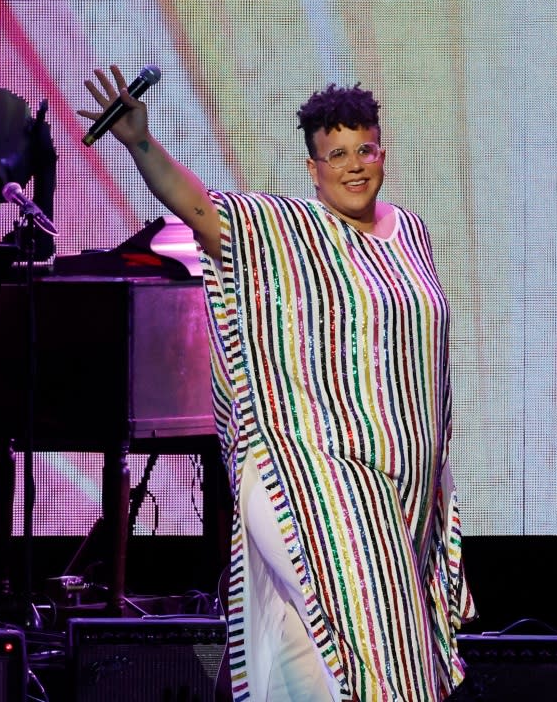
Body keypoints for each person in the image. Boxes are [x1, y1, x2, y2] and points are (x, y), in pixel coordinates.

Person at [81, 65, 477, 701]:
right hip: (308, 470)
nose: (354, 166)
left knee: (308, 663)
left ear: (383, 151)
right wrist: (141, 143)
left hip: (398, 488)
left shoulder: (411, 234)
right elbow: (198, 208)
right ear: (313, 168)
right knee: (381, 646)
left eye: (365, 150)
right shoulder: (286, 230)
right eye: (337, 155)